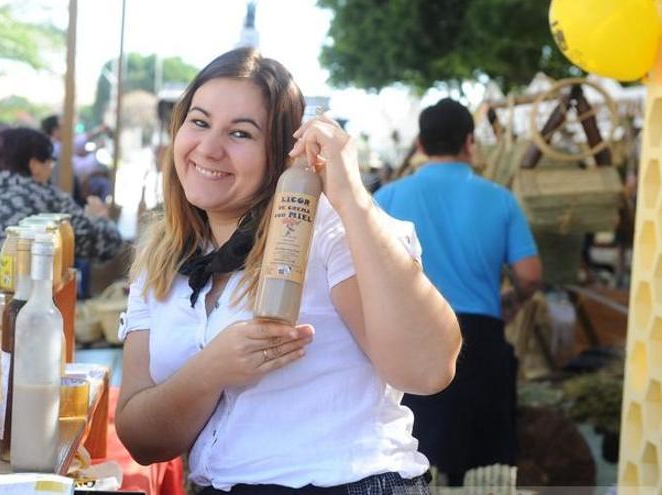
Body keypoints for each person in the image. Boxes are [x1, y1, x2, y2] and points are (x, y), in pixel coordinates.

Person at [115, 47, 461, 494]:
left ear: (282, 153)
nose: (209, 148)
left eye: (240, 134)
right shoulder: (162, 258)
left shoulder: (328, 232)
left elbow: (429, 369)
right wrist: (211, 369)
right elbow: (142, 440)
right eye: (199, 122)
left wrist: (351, 196)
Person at [374, 98, 542, 485]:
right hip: (479, 339)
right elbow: (530, 276)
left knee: (410, 454)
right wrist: (512, 302)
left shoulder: (387, 199)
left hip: (407, 341)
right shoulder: (500, 199)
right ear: (470, 141)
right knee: (481, 468)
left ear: (420, 144)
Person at [0, 127, 123, 275]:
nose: (51, 168)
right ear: (34, 165)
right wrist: (101, 217)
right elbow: (107, 246)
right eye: (50, 162)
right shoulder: (48, 198)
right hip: (23, 314)